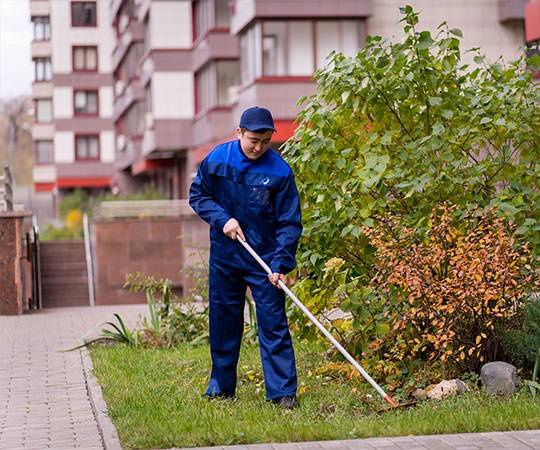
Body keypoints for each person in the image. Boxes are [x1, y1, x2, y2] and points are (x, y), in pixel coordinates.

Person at [189, 106, 302, 409]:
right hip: (226, 257)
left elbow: (289, 223)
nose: (259, 147)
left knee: (273, 324)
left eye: (266, 141)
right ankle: (221, 388)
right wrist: (222, 218)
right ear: (239, 132)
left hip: (264, 261)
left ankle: (282, 393)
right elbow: (198, 196)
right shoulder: (217, 160)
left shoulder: (279, 172)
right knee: (224, 323)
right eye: (253, 140)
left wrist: (280, 264)